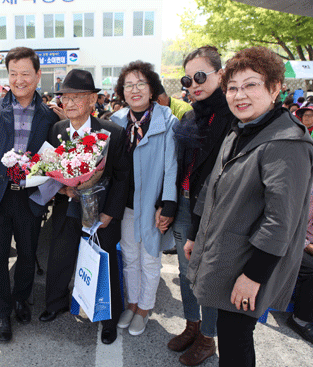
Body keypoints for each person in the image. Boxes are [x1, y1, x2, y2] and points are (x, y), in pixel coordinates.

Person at [186, 46, 313, 367]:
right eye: (232, 87)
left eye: (251, 85)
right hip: (226, 253)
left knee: (235, 339)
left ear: (274, 89)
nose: (240, 95)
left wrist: (253, 277)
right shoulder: (241, 129)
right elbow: (210, 190)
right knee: (231, 335)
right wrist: (193, 234)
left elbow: (279, 223)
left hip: (249, 263)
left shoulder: (286, 143)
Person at [0, 46, 59, 343]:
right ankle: (2, 313)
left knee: (28, 254)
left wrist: (47, 192)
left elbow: (53, 160)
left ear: (37, 75)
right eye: (13, 73)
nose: (19, 80)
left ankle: (22, 298)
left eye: (25, 74)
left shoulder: (49, 116)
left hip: (30, 197)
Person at [38, 69, 129, 345]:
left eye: (78, 97)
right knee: (60, 254)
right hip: (67, 206)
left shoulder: (112, 132)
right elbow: (49, 168)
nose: (71, 102)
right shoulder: (57, 129)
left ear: (93, 100)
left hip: (101, 211)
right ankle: (55, 303)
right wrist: (62, 187)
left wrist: (110, 213)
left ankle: (109, 318)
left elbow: (124, 178)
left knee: (105, 262)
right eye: (66, 97)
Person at [169, 45, 234, 366]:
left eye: (200, 75)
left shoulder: (233, 116)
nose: (193, 84)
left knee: (205, 276)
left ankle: (208, 337)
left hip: (212, 211)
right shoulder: (193, 115)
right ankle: (192, 325)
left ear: (220, 75)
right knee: (184, 271)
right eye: (187, 78)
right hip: (182, 204)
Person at [110, 61, 178, 337]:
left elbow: (172, 166)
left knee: (150, 258)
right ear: (122, 91)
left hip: (153, 204)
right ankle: (132, 303)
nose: (134, 90)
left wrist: (168, 203)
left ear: (151, 89)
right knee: (129, 257)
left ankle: (146, 308)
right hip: (124, 204)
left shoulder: (167, 120)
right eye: (129, 85)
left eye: (141, 84)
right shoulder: (116, 121)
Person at [285, 187, 313, 344]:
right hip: (293, 243)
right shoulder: (307, 190)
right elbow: (292, 226)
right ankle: (300, 319)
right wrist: (308, 246)